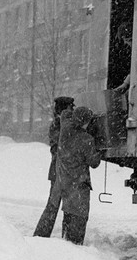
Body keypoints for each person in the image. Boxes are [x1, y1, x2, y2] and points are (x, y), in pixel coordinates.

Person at [56, 106, 103, 245]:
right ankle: (75, 247)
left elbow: (65, 113)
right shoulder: (86, 139)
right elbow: (94, 162)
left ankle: (66, 242)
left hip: (65, 180)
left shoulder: (65, 129)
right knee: (79, 216)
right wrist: (98, 150)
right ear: (86, 121)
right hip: (79, 183)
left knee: (68, 212)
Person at [33, 96, 74, 237]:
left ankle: (51, 234)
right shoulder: (59, 124)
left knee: (60, 205)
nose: (73, 109)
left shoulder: (61, 123)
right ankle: (41, 235)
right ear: (64, 109)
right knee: (54, 205)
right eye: (70, 107)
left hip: (60, 170)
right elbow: (61, 145)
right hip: (59, 169)